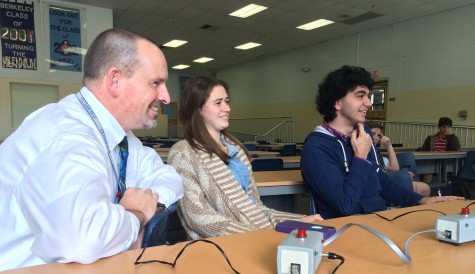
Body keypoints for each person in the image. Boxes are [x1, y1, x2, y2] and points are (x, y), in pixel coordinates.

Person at [0, 28, 183, 271]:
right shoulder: (67, 134)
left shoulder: (121, 137)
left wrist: (147, 207)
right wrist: (135, 214)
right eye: (156, 83)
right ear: (115, 80)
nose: (166, 97)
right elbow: (84, 240)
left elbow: (171, 179)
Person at [167, 75, 323, 240]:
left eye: (227, 101)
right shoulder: (183, 153)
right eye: (218, 103)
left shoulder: (236, 149)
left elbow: (256, 209)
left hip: (257, 236)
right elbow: (198, 218)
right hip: (223, 247)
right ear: (197, 108)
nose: (227, 108)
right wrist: (260, 235)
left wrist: (298, 221)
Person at [300, 65, 463, 219]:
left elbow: (379, 181)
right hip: (345, 230)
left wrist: (419, 200)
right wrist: (360, 157)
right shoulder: (317, 147)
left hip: (378, 218)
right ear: (337, 102)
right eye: (360, 95)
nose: (369, 103)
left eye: (368, 95)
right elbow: (345, 205)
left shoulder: (363, 134)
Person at [369, 123, 431, 197]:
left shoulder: (377, 153)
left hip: (388, 180)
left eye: (379, 135)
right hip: (380, 183)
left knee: (425, 189)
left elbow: (394, 168)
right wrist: (402, 174)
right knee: (418, 187)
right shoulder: (365, 151)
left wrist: (388, 145)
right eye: (373, 134)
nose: (377, 137)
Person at [418, 117, 461, 182]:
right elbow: (424, 149)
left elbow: (455, 149)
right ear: (439, 127)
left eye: (448, 127)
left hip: (447, 162)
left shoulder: (453, 138)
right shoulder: (431, 138)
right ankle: (426, 189)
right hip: (432, 161)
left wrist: (451, 137)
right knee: (427, 169)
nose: (446, 129)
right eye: (444, 127)